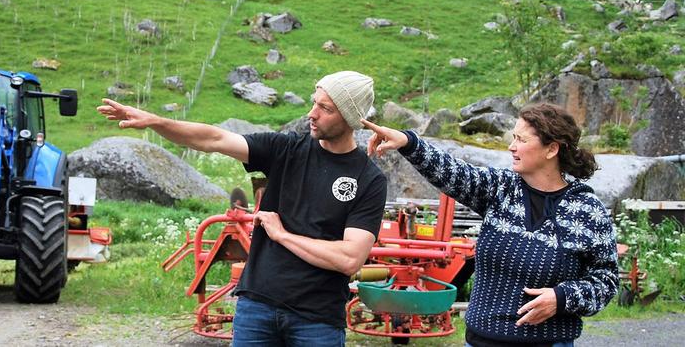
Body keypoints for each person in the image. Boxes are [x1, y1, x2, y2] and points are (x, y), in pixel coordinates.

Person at [98, 71, 387, 346]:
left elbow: (350, 259)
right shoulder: (285, 150)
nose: (312, 113)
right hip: (257, 308)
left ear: (350, 117)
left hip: (317, 321)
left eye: (325, 108)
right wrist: (156, 122)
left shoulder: (369, 180)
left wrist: (282, 235)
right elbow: (214, 139)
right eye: (314, 102)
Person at [363, 103, 618, 347]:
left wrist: (561, 298)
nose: (511, 146)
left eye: (521, 140)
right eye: (513, 138)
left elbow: (606, 281)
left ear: (552, 149)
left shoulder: (587, 210)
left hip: (549, 343)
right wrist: (408, 142)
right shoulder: (501, 188)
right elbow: (453, 172)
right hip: (480, 340)